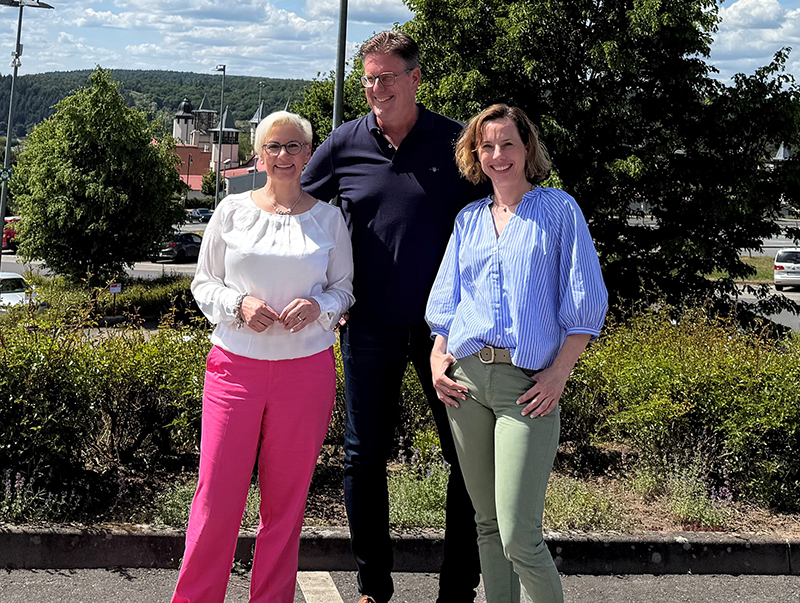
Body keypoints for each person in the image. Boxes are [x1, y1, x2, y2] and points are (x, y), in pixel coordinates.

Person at [301, 30, 486, 603]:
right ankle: (372, 590)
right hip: (369, 325)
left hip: (450, 334)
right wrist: (318, 290)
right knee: (363, 457)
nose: (375, 89)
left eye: (385, 77)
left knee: (466, 459)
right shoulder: (344, 143)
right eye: (367, 80)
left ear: (415, 78)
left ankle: (457, 589)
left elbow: (501, 215)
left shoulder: (457, 141)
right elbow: (300, 212)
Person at [425, 104, 608, 603]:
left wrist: (558, 376)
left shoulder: (559, 210)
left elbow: (587, 305)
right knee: (486, 526)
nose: (497, 155)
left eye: (508, 143)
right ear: (474, 153)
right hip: (465, 384)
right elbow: (447, 302)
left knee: (518, 536)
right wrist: (439, 358)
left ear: (528, 149)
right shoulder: (469, 220)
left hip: (526, 386)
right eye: (487, 145)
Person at [171, 111, 354, 603]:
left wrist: (320, 307)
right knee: (215, 499)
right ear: (258, 154)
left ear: (309, 154)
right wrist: (237, 304)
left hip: (306, 372)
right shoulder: (231, 211)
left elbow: (344, 290)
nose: (284, 156)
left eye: (295, 146)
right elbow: (203, 282)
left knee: (286, 506)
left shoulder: (330, 218)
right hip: (235, 369)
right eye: (274, 146)